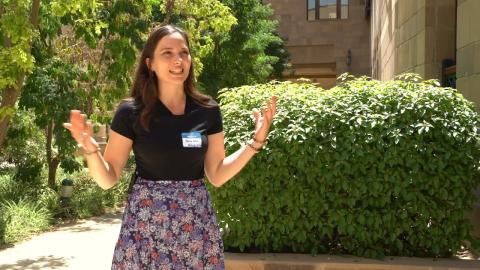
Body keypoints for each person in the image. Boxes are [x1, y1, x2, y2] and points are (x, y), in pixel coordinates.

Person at [63, 24, 277, 269]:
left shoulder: (207, 110)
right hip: (146, 227)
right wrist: (90, 149)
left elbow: (217, 174)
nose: (178, 59)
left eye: (184, 52)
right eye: (167, 53)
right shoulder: (131, 112)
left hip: (195, 225)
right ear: (149, 63)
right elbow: (108, 178)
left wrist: (255, 142)